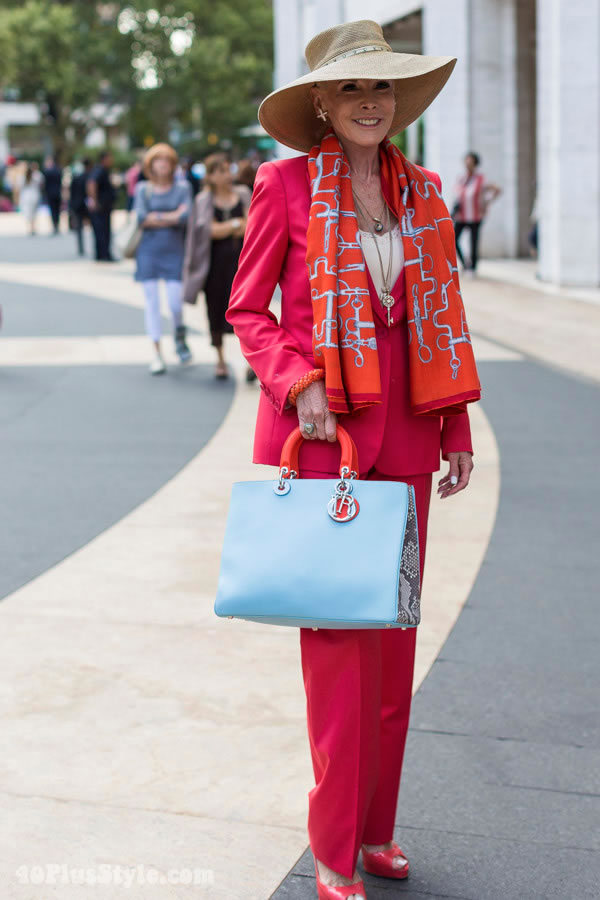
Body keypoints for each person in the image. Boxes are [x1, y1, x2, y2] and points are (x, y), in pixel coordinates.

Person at [226, 20, 481, 899]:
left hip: (409, 439)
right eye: (353, 90)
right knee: (340, 659)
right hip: (330, 443)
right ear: (323, 106)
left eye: (383, 90)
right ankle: (333, 848)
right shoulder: (283, 187)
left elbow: (439, 321)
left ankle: (377, 832)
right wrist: (293, 377)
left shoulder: (428, 193)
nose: (371, 103)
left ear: (396, 103)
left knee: (395, 655)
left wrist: (455, 430)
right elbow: (247, 309)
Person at [182, 154, 251, 379]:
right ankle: (220, 359)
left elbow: (252, 225)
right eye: (219, 171)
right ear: (210, 176)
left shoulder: (243, 194)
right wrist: (234, 224)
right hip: (213, 266)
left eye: (227, 169)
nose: (225, 174)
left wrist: (227, 227)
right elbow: (207, 231)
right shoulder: (204, 199)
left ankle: (253, 360)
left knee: (250, 312)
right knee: (215, 311)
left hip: (243, 265)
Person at [134, 142, 193, 375]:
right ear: (150, 164)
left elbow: (186, 216)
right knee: (152, 304)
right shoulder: (143, 189)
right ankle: (157, 353)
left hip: (175, 251)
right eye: (158, 160)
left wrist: (155, 216)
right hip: (148, 252)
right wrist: (171, 215)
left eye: (167, 160)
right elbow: (140, 218)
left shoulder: (183, 188)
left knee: (175, 302)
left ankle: (179, 333)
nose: (163, 165)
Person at [452, 152, 501, 276]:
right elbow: (457, 195)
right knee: (453, 239)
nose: (467, 164)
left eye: (470, 162)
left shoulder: (480, 179)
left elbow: (496, 190)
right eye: (466, 161)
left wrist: (486, 202)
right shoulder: (461, 178)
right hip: (461, 215)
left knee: (474, 242)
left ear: (475, 163)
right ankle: (465, 264)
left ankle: (472, 267)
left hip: (475, 215)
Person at [87, 151, 116, 261]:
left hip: (104, 206)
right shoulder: (99, 170)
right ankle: (103, 255)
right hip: (101, 207)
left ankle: (103, 254)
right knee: (102, 231)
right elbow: (91, 183)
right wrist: (94, 201)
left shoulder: (102, 170)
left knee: (103, 231)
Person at [69, 158, 92, 256]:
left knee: (79, 228)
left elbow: (72, 192)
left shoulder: (77, 177)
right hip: (86, 205)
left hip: (77, 204)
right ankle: (95, 247)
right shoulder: (90, 177)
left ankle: (81, 248)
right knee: (94, 227)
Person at [18, 162, 43, 235]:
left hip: (26, 196)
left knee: (28, 212)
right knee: (34, 212)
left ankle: (30, 227)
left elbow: (19, 187)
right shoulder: (37, 176)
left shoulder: (23, 177)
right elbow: (41, 185)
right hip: (34, 195)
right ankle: (33, 227)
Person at [42, 156, 63, 234]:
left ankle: (55, 225)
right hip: (57, 192)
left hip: (50, 193)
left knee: (53, 210)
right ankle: (57, 224)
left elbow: (45, 184)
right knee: (57, 209)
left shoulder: (47, 172)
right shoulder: (58, 170)